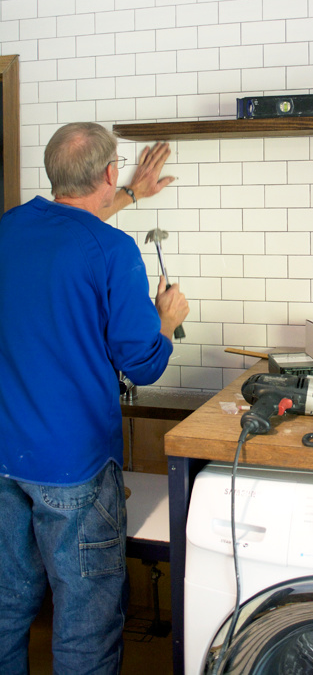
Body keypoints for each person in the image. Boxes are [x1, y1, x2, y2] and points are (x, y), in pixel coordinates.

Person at [0, 123, 189, 675]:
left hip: (6, 459)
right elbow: (144, 363)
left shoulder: (9, 229)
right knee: (86, 621)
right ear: (109, 173)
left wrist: (133, 194)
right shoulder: (114, 251)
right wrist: (166, 322)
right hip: (74, 467)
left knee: (9, 603)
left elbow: (65, 237)